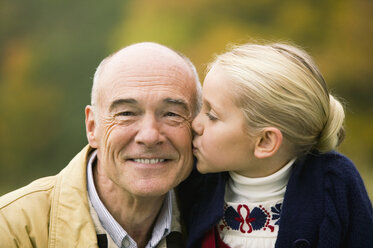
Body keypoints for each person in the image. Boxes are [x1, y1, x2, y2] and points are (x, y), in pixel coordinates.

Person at [0, 42, 202, 248]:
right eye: (127, 113)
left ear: (198, 127)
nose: (149, 136)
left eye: (171, 114)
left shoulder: (223, 224)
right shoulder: (11, 229)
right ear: (92, 127)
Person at [178, 43, 373, 248]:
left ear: (265, 142)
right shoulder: (193, 182)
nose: (194, 124)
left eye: (212, 115)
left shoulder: (334, 185)